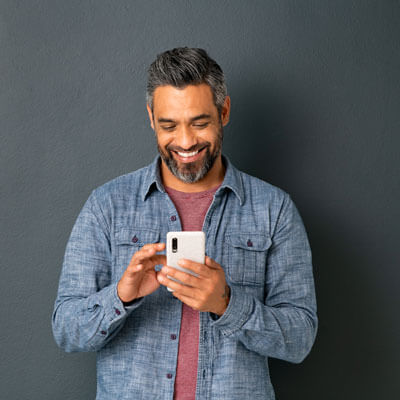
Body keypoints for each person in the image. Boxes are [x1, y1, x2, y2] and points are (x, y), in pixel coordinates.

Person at [52, 47, 317, 400]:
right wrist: (121, 296)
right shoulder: (107, 205)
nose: (186, 141)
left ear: (224, 111)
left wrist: (226, 303)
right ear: (151, 118)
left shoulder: (274, 209)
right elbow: (67, 330)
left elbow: (299, 339)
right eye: (169, 125)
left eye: (200, 122)